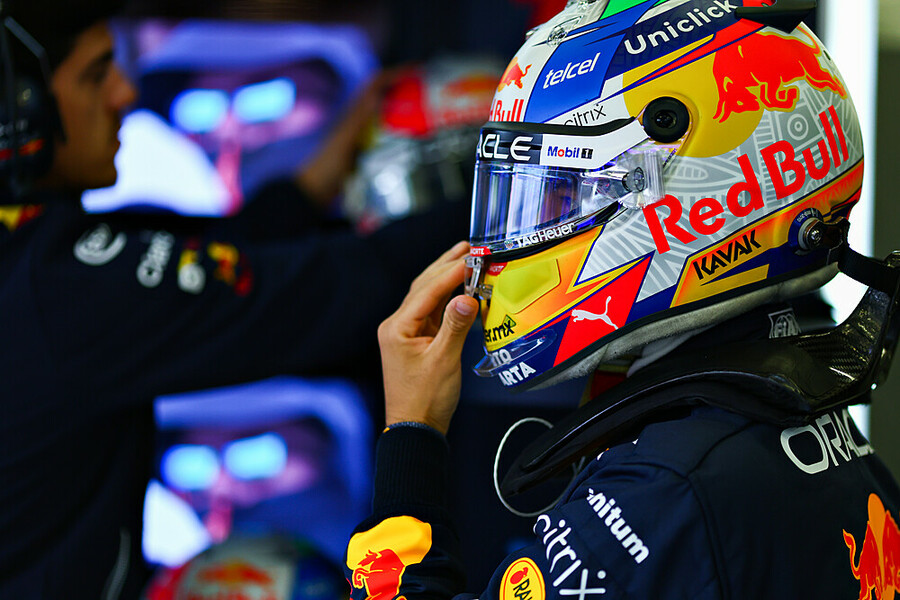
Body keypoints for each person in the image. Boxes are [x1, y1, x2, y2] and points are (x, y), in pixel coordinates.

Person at [343, 1, 900, 598]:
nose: (504, 246)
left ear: (692, 191)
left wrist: (411, 434)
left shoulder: (663, 494)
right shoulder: (809, 423)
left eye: (559, 196)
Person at [0, 1, 468, 597]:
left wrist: (314, 182)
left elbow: (216, 254)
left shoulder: (30, 258)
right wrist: (515, 206)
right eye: (96, 75)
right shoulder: (58, 290)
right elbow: (322, 292)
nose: (124, 93)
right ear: (20, 109)